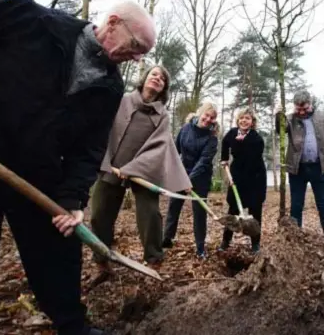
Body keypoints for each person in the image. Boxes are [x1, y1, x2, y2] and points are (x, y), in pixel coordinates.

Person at [0, 0, 156, 335]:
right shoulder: (32, 20)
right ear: (112, 23)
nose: (139, 56)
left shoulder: (111, 86)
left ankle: (73, 326)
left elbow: (89, 148)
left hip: (38, 172)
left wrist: (72, 200)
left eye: (144, 51)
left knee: (59, 251)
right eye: (137, 44)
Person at [89, 66, 191, 273]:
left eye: (162, 78)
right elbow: (103, 126)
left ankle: (154, 260)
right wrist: (105, 160)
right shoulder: (122, 99)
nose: (157, 78)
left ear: (164, 88)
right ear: (144, 78)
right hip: (113, 165)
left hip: (144, 170)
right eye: (154, 74)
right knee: (99, 214)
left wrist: (134, 168)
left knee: (151, 213)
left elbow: (159, 145)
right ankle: (101, 260)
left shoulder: (162, 115)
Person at [275, 90, 324, 238]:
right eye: (298, 109)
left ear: (310, 104)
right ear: (294, 107)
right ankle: (296, 239)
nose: (302, 112)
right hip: (297, 169)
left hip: (319, 168)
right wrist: (278, 116)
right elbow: (280, 131)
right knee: (296, 206)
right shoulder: (290, 119)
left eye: (305, 108)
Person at [163, 102, 219, 259]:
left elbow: (204, 162)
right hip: (181, 173)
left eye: (212, 118)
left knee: (199, 213)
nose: (208, 119)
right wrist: (175, 173)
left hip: (200, 178)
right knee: (173, 207)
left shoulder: (212, 139)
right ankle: (167, 239)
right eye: (206, 115)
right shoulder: (185, 128)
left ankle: (200, 247)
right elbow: (175, 150)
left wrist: (190, 180)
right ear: (200, 113)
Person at [219, 108, 267, 254]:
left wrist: (240, 143)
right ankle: (226, 241)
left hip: (255, 178)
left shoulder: (256, 139)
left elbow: (250, 160)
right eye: (241, 118)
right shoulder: (232, 133)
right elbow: (225, 143)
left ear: (252, 122)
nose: (244, 121)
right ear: (238, 120)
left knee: (255, 211)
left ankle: (255, 244)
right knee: (232, 210)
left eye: (247, 118)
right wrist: (224, 158)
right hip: (237, 176)